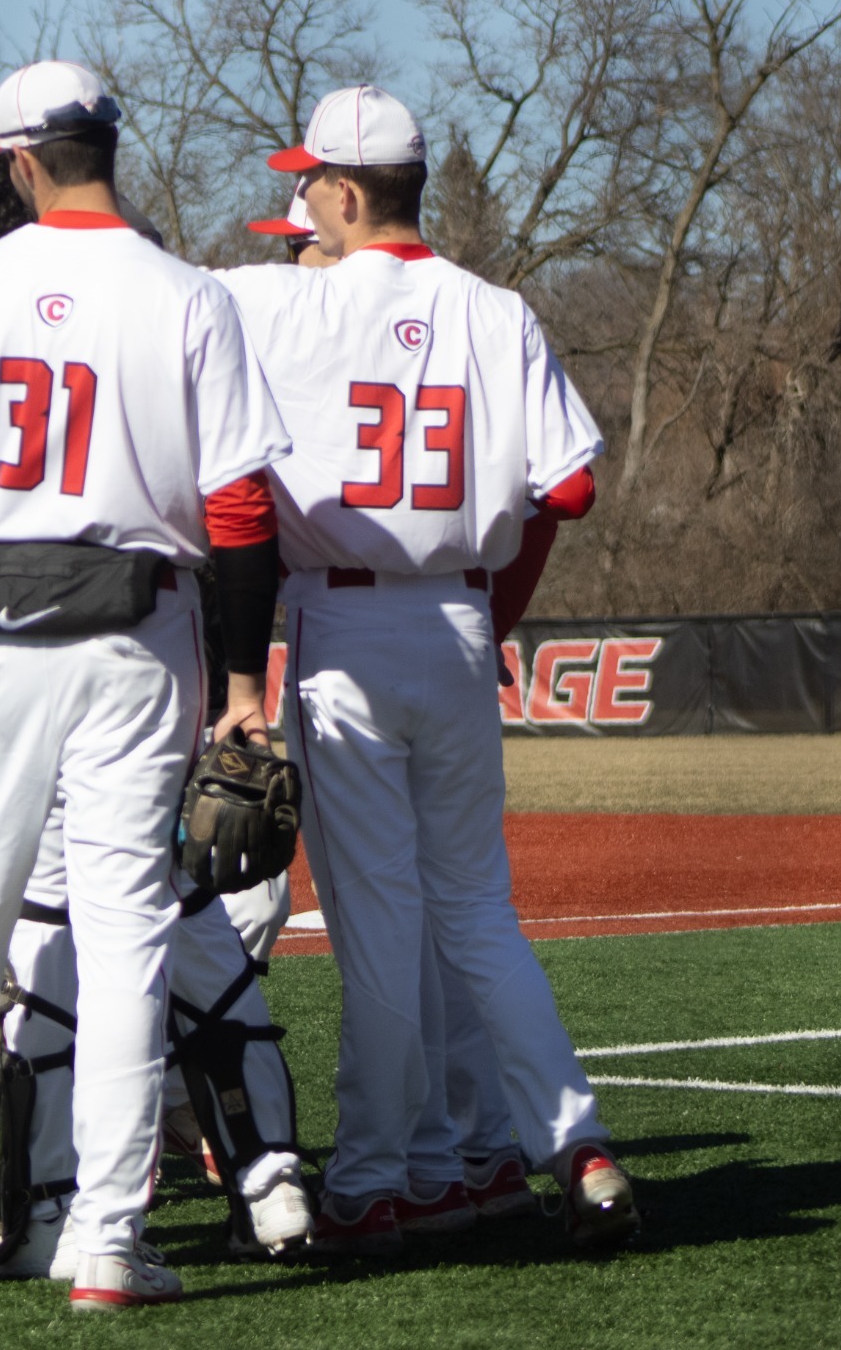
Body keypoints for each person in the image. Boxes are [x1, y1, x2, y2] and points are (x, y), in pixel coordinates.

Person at [0, 62, 291, 1311]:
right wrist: (243, 682)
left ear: (19, 162)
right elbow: (242, 511)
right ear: (110, 149)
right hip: (138, 630)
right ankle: (106, 1235)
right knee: (126, 922)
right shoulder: (183, 290)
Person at [211, 84, 636, 1253]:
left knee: (380, 924)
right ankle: (572, 1143)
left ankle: (380, 1171)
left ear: (342, 192)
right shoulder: (495, 311)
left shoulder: (272, 303)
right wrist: (487, 613)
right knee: (479, 914)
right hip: (454, 624)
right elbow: (569, 487)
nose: (296, 195)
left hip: (342, 632)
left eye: (305, 179)